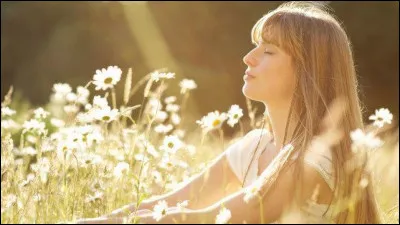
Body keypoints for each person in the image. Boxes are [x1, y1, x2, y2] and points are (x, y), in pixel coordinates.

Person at [76, 2, 381, 224]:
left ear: (307, 70)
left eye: (269, 51)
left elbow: (212, 218)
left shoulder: (315, 163)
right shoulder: (255, 147)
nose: (248, 58)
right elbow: (168, 203)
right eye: (255, 46)